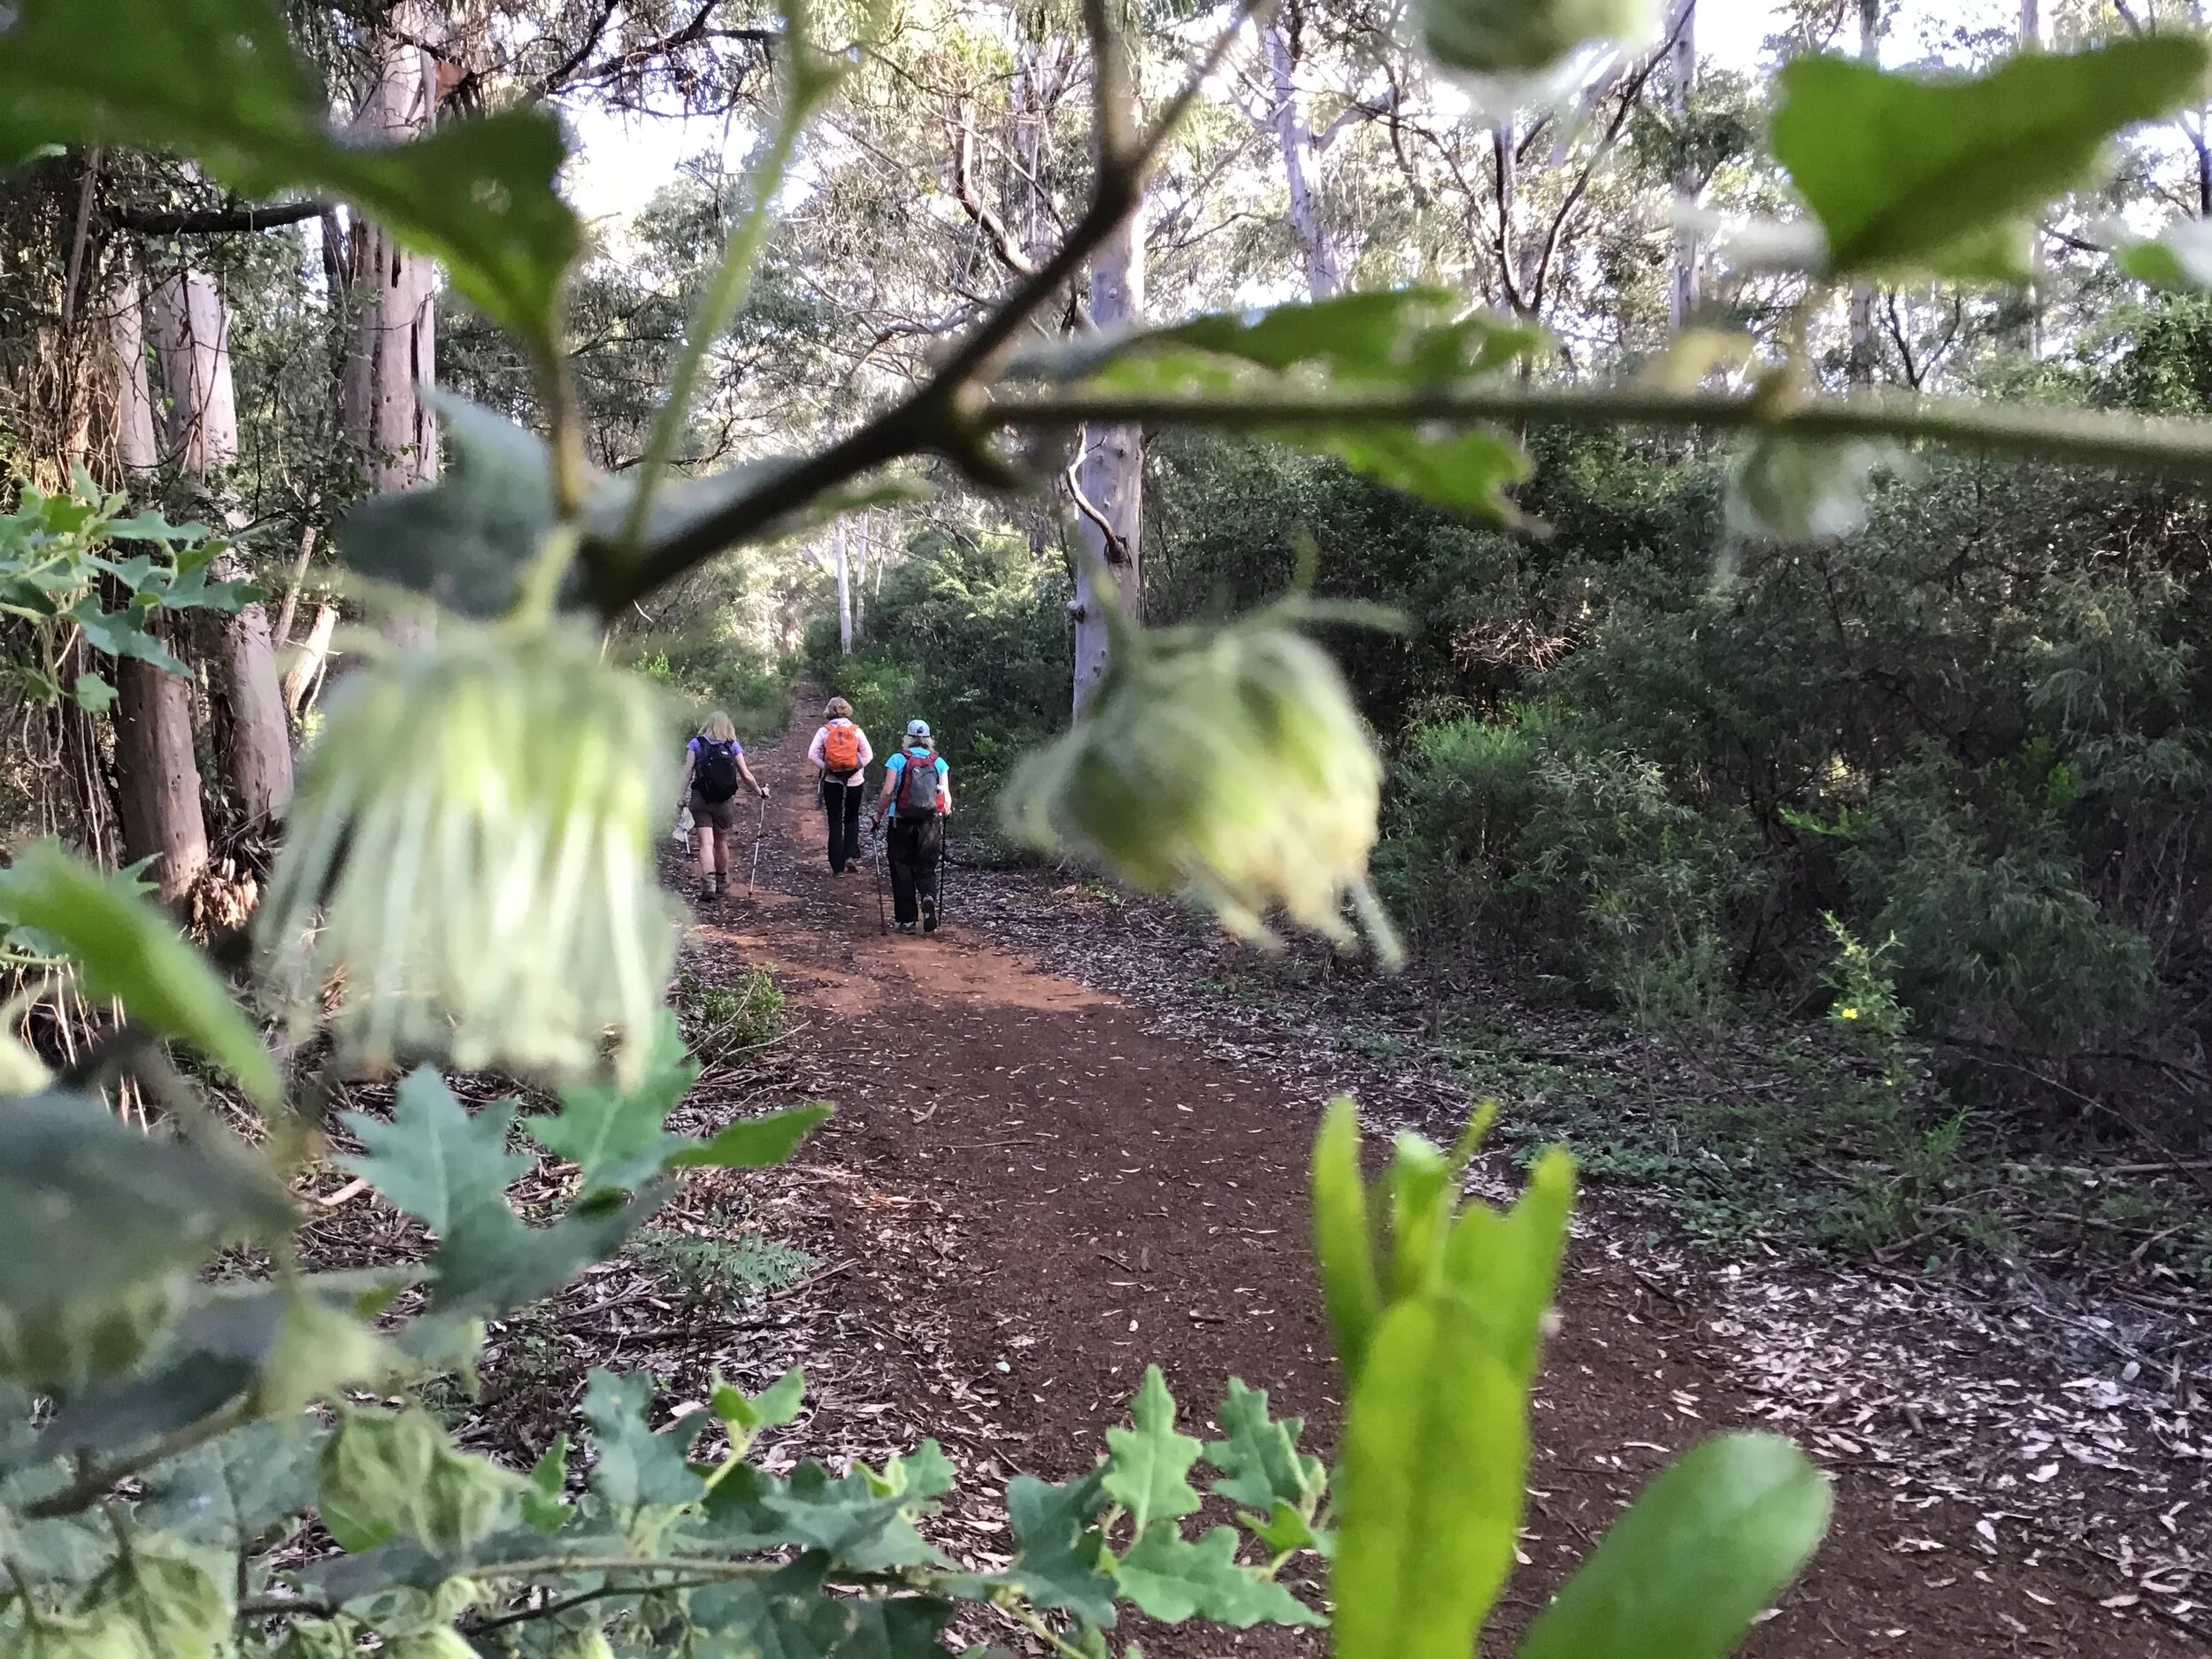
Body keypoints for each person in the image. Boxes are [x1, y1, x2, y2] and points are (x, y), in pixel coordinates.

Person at [674, 711, 766, 902]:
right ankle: (722, 881)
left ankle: (708, 884)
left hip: (701, 800)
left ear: (707, 724)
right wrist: (760, 791)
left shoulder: (696, 744)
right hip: (724, 802)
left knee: (705, 842)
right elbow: (746, 775)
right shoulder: (732, 745)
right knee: (721, 841)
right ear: (728, 726)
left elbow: (686, 773)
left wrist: (679, 798)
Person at [871, 719, 950, 934]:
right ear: (928, 739)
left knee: (901, 868)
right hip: (930, 823)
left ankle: (905, 921)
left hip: (901, 821)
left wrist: (878, 815)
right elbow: (946, 798)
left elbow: (887, 791)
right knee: (926, 867)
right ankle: (928, 898)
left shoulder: (897, 759)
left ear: (908, 738)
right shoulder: (938, 762)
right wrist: (944, 814)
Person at [807, 696, 873, 875]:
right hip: (855, 781)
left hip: (832, 781)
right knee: (852, 818)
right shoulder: (856, 730)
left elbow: (812, 754)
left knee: (834, 821)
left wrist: (828, 769)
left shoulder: (825, 731)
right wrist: (854, 771)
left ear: (829, 711)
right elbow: (869, 755)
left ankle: (837, 866)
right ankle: (850, 856)